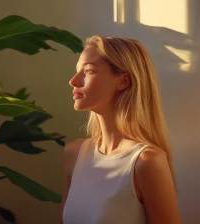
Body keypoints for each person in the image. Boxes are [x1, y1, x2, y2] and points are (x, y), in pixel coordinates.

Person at [61, 35, 181, 224]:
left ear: (123, 81)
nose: (74, 81)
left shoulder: (146, 162)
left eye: (89, 71)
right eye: (77, 71)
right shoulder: (74, 154)